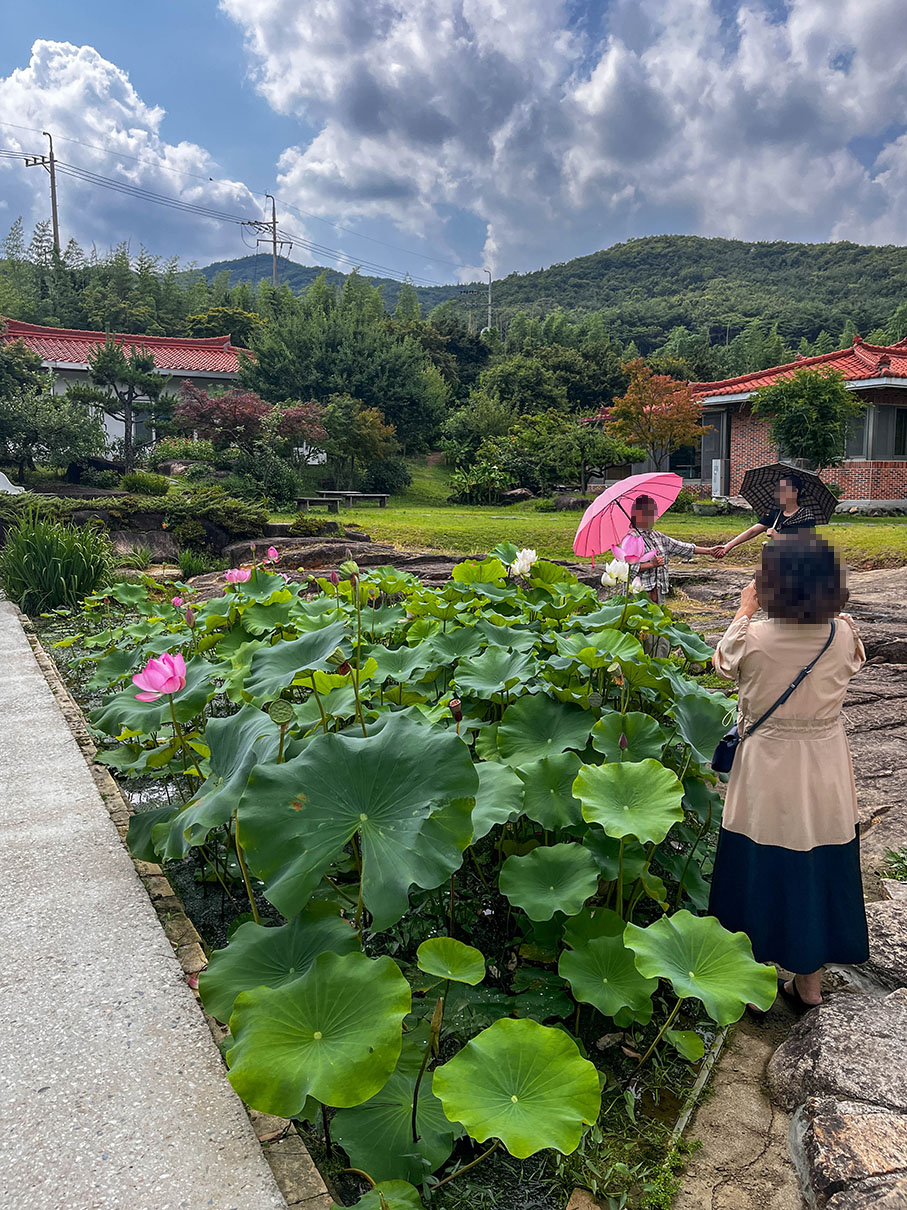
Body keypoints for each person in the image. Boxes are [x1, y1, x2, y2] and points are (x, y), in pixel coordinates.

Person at [708, 533, 868, 1010]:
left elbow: (721, 662)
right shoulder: (843, 634)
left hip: (768, 768)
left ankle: (753, 981)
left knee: (758, 865)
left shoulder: (752, 637)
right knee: (817, 865)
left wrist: (744, 609)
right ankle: (809, 985)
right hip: (824, 766)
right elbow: (855, 662)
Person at [624, 494, 718, 604]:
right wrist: (651, 564)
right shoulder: (631, 539)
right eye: (649, 513)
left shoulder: (657, 536)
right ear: (638, 515)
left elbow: (681, 547)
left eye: (654, 513)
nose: (653, 517)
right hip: (638, 595)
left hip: (659, 591)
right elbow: (628, 568)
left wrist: (710, 551)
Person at [713, 472, 816, 559]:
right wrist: (728, 546)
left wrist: (777, 536)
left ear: (795, 491)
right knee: (754, 583)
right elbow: (752, 531)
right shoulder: (776, 513)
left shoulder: (805, 516)